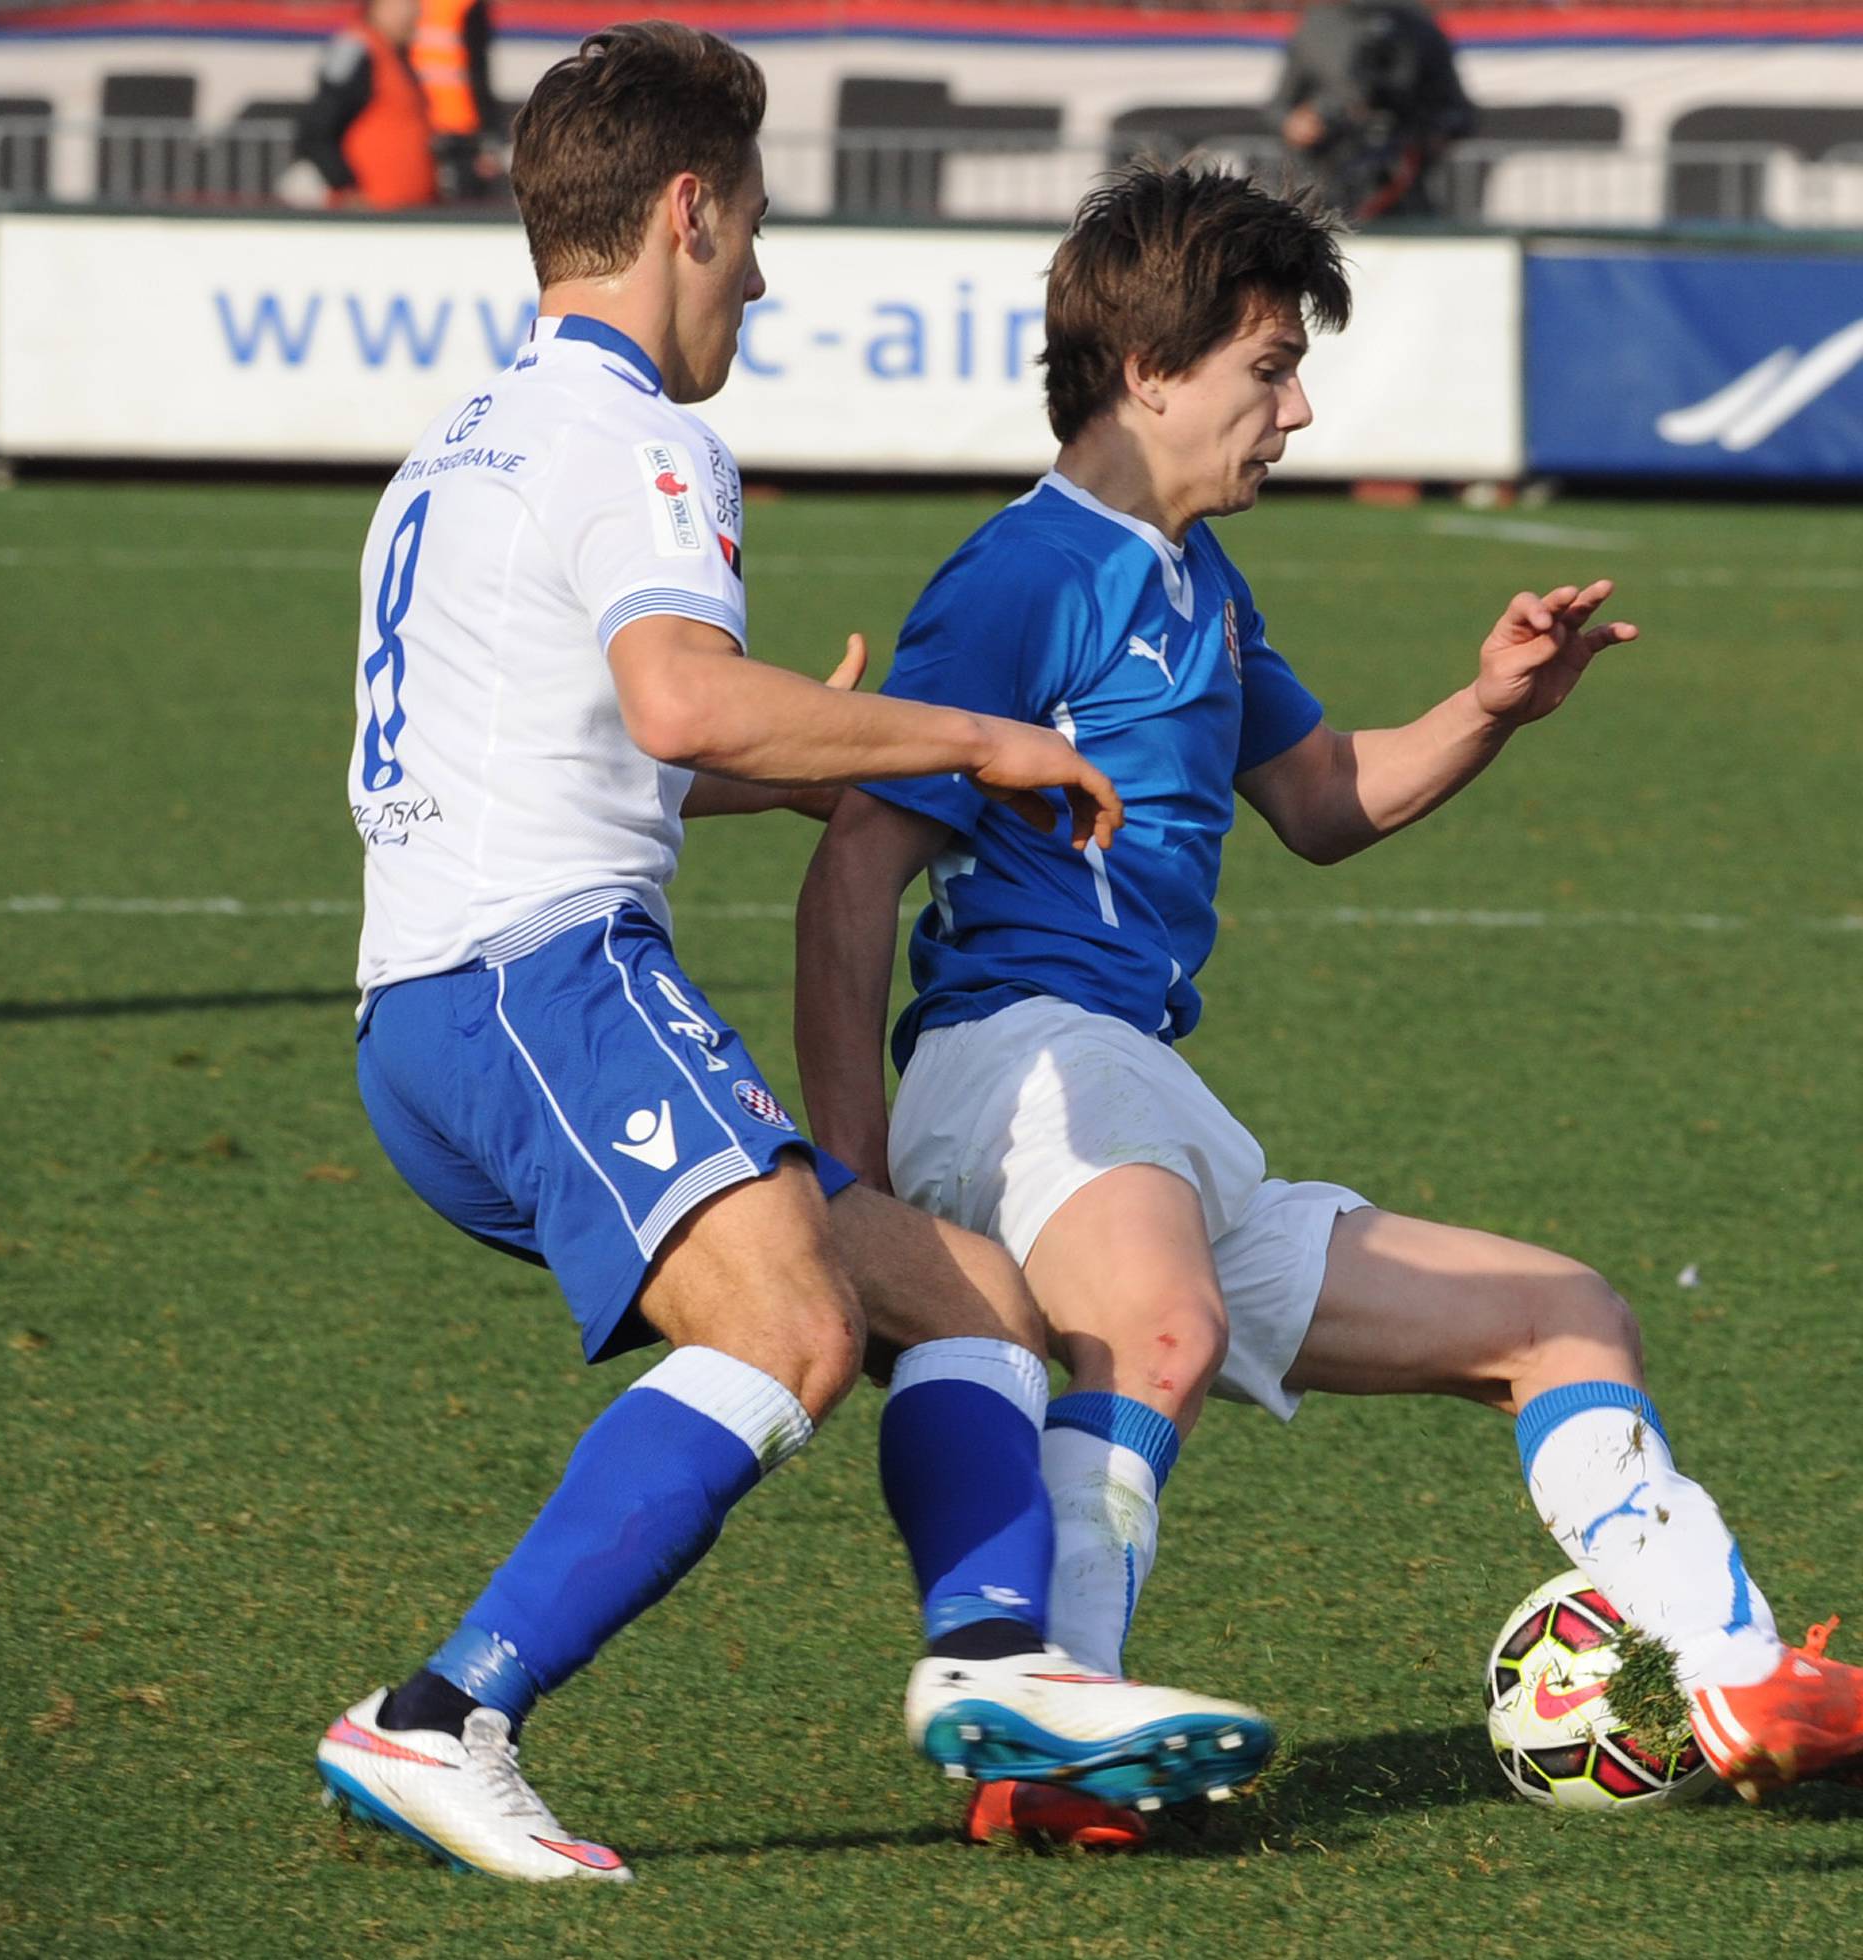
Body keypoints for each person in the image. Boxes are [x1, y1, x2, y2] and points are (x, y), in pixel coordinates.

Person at [794, 162, 1863, 1846]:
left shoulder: (1198, 582)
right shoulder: (1024, 575)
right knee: (1158, 1328)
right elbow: (858, 863)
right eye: (1268, 367)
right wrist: (846, 1176)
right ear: (1149, 373)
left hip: (1143, 1098)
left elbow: (1321, 799)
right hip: (1021, 1068)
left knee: (1564, 1316)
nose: (1297, 409)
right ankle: (1048, 1730)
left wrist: (1494, 705)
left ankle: (1739, 1671)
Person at [315, 29, 1272, 1885]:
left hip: (444, 1004)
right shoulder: (642, 432)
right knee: (797, 1324)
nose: (760, 274)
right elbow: (677, 704)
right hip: (544, 983)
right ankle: (444, 1713)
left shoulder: (464, 443)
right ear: (686, 209)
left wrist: (797, 739)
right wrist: (968, 738)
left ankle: (1005, 1662)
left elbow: (594, 742)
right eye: (750, 226)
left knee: (974, 1299)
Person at [1271, 0, 1474, 221]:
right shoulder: (1316, 26)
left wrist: (1433, 134)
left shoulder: (1422, 27)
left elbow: (1460, 113)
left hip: (1404, 194)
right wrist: (1296, 123)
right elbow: (1278, 108)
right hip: (1326, 185)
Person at [282, 0, 437, 211]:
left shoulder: (398, 55)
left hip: (408, 211)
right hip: (369, 214)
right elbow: (316, 131)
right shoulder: (359, 51)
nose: (413, 14)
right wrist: (345, 187)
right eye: (403, 5)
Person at [413, 0, 510, 201]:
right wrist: (490, 134)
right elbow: (478, 72)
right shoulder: (466, 6)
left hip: (430, 127)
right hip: (458, 128)